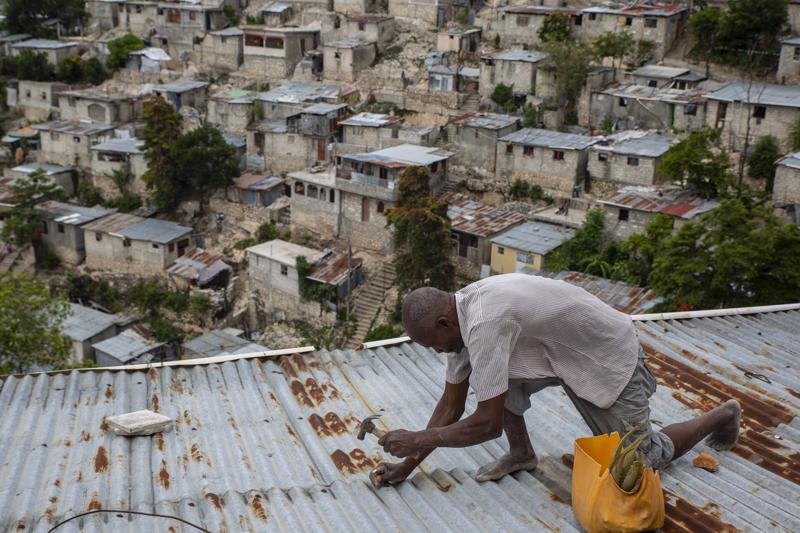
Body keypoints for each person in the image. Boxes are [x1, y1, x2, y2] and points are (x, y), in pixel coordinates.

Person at [371, 274, 741, 486]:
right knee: (494, 382)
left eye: (432, 344)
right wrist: (405, 468)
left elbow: (487, 425)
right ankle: (522, 454)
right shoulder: (460, 320)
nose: (435, 351)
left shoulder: (484, 324)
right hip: (560, 354)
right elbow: (451, 407)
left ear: (443, 324)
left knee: (644, 459)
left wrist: (417, 438)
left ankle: (723, 414)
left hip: (603, 352)